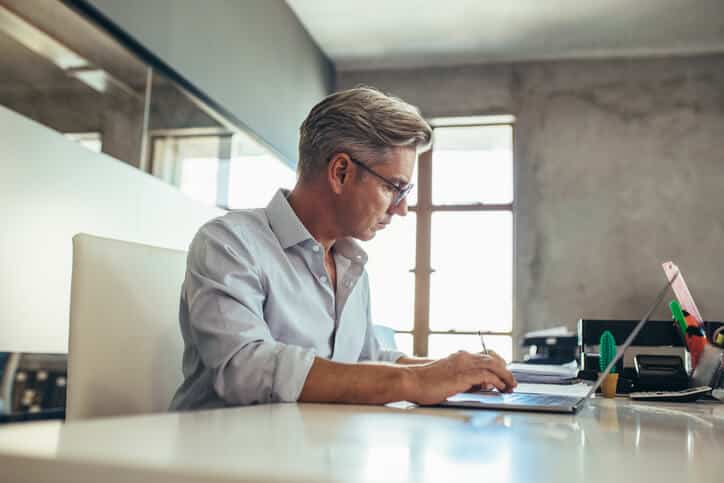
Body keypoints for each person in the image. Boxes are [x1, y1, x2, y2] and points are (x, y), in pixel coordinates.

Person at [170, 87, 516, 410]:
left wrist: (453, 371)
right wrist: (414, 380)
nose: (401, 209)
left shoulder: (350, 262)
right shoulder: (229, 243)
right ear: (340, 172)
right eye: (394, 188)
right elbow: (245, 368)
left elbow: (363, 359)